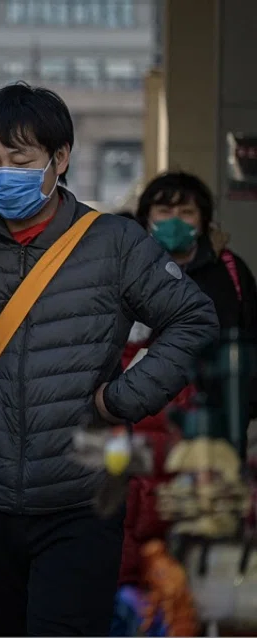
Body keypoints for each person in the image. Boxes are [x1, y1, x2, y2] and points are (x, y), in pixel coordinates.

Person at [0, 83, 220, 636]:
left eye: (21, 160)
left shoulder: (113, 242)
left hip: (81, 495)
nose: (4, 174)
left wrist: (123, 399)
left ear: (60, 158)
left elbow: (194, 320)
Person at [118, 171, 257, 585]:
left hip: (214, 433)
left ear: (205, 219)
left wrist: (242, 414)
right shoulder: (127, 268)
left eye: (187, 210)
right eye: (164, 209)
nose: (175, 218)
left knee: (206, 540)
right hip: (139, 430)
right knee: (138, 533)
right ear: (147, 217)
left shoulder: (230, 271)